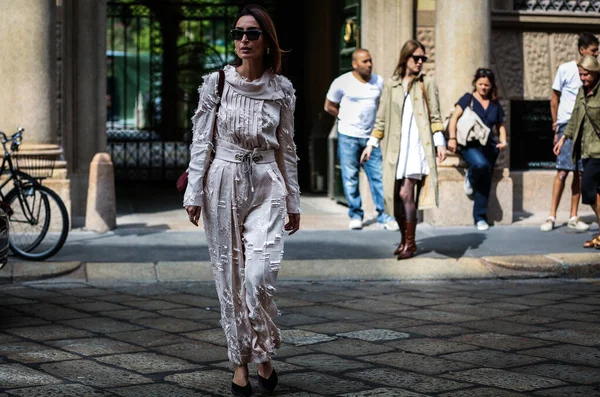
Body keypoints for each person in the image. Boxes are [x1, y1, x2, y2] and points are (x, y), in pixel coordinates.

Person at [183, 5, 300, 396]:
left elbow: (287, 148)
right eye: (238, 34)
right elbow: (202, 141)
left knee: (258, 277)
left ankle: (263, 351)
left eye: (252, 33)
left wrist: (295, 201)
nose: (243, 40)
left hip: (268, 182)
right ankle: (242, 364)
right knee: (229, 279)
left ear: (267, 40)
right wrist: (193, 191)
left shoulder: (281, 89)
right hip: (223, 181)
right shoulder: (216, 83)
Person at [361, 40, 446, 259]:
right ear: (405, 58)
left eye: (423, 59)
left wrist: (440, 143)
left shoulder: (428, 83)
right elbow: (380, 119)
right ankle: (403, 239)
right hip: (396, 150)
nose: (420, 62)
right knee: (395, 198)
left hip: (418, 148)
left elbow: (436, 116)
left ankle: (411, 243)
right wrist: (371, 144)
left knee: (405, 193)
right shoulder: (392, 84)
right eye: (416, 58)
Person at [324, 49, 398, 231]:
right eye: (365, 61)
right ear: (355, 64)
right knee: (350, 178)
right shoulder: (342, 82)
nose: (369, 64)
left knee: (379, 177)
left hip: (370, 138)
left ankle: (386, 216)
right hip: (348, 136)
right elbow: (329, 105)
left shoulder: (378, 81)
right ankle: (356, 215)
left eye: (370, 61)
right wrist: (343, 116)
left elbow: (384, 105)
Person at [541, 33, 599, 232]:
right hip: (568, 124)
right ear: (582, 50)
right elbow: (555, 98)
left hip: (588, 130)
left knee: (581, 174)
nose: (597, 54)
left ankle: (574, 216)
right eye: (593, 50)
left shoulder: (595, 75)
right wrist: (558, 126)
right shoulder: (566, 69)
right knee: (563, 171)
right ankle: (551, 216)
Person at [447, 68, 508, 231]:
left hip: (489, 146)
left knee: (486, 180)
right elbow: (454, 118)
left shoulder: (495, 104)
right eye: (480, 84)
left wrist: (503, 141)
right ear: (475, 83)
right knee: (480, 165)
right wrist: (452, 138)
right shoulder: (468, 99)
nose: (483, 88)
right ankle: (470, 178)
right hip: (469, 145)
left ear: (491, 86)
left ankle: (480, 217)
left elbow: (500, 125)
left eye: (487, 85)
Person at [554, 55, 600, 249]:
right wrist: (563, 138)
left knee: (588, 189)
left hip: (599, 150)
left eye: (586, 74)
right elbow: (574, 117)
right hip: (586, 149)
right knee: (595, 191)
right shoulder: (582, 91)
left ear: (595, 72)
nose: (583, 78)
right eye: (581, 74)